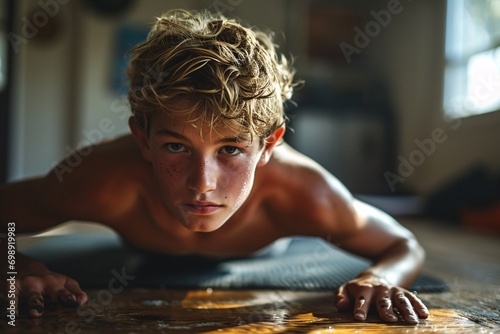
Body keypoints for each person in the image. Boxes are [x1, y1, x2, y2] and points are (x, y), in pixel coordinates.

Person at [0, 9, 429, 324]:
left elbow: (403, 244)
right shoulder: (101, 181)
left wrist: (378, 277)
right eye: (175, 147)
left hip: (270, 246)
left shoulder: (305, 194)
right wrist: (22, 266)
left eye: (230, 151)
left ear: (268, 146)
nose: (201, 184)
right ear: (142, 140)